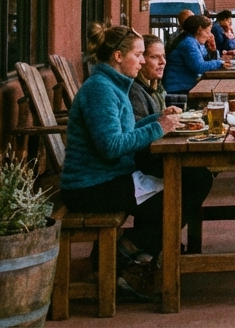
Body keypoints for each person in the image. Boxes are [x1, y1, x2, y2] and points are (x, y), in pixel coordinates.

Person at [61, 25, 212, 299]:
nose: (143, 61)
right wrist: (159, 128)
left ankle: (128, 256)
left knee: (194, 180)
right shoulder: (101, 90)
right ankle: (123, 259)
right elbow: (110, 146)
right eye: (139, 55)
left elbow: (124, 131)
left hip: (110, 179)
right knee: (180, 195)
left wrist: (157, 118)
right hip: (90, 188)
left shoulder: (113, 84)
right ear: (119, 56)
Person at [164, 14, 226, 95]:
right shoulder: (189, 42)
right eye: (207, 31)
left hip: (187, 85)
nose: (209, 36)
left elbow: (206, 60)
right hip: (178, 89)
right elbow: (199, 67)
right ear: (199, 30)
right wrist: (220, 63)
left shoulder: (196, 42)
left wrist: (213, 51)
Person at [128, 34, 168, 120]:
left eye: (163, 56)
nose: (163, 62)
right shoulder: (133, 91)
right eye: (154, 57)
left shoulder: (155, 85)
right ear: (141, 59)